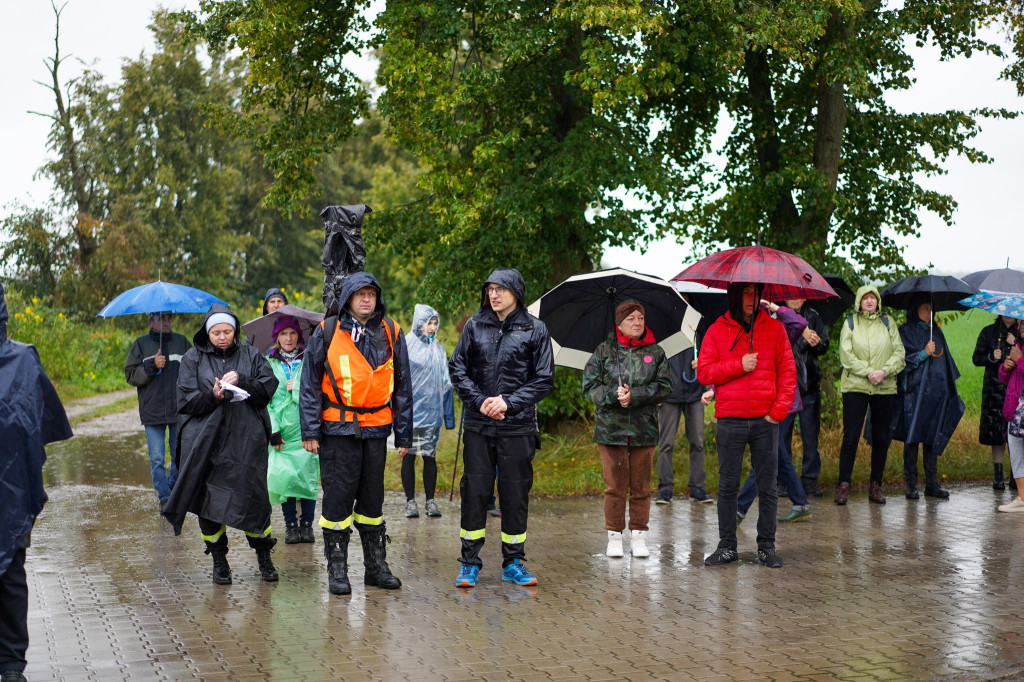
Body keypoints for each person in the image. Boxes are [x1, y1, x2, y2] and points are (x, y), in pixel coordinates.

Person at [300, 272, 413, 596]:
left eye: (371, 294)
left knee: (372, 500)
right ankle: (338, 569)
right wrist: (310, 430)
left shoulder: (391, 331)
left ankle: (375, 567)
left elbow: (403, 386)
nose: (366, 299)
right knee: (337, 501)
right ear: (348, 298)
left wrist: (404, 434)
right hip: (337, 430)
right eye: (359, 294)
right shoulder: (328, 331)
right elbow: (309, 384)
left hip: (376, 430)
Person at [449, 268, 554, 588]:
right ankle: (469, 562)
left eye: (501, 289)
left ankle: (514, 562)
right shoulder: (474, 326)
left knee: (514, 496)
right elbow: (457, 368)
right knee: (475, 494)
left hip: (518, 427)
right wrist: (480, 402)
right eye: (490, 289)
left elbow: (544, 379)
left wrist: (508, 402)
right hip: (479, 427)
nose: (494, 294)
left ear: (517, 293)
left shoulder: (535, 329)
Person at [162, 305, 281, 585]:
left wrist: (243, 380)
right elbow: (186, 400)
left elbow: (268, 388)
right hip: (206, 444)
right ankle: (219, 561)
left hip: (245, 443)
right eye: (216, 332)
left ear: (235, 331)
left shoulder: (250, 354)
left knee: (253, 500)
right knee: (209, 503)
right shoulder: (192, 358)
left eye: (227, 331)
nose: (222, 337)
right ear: (207, 332)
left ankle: (264, 557)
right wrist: (213, 395)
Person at [0, 282, 72, 682]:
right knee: (11, 574)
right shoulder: (25, 358)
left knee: (10, 572)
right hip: (14, 483)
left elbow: (39, 419)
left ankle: (11, 664)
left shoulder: (24, 360)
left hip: (11, 488)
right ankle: (10, 663)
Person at [697, 282, 796, 569]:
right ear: (735, 295)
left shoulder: (775, 329)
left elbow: (788, 373)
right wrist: (739, 364)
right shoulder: (717, 329)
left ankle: (766, 546)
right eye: (746, 293)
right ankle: (727, 546)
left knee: (767, 487)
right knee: (727, 487)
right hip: (730, 420)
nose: (752, 299)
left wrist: (777, 413)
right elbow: (704, 371)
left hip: (766, 421)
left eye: (756, 293)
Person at [583, 301, 671, 558]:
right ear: (619, 323)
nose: (637, 322)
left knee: (641, 486)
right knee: (615, 486)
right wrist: (613, 394)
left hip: (644, 430)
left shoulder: (656, 352)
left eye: (641, 317)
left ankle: (639, 536)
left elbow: (666, 386)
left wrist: (638, 395)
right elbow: (588, 387)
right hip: (611, 431)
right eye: (630, 318)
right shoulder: (604, 351)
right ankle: (614, 536)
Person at [735, 300, 812, 524]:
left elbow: (799, 322)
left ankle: (740, 509)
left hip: (784, 405)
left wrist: (776, 308)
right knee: (774, 456)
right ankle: (800, 503)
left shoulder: (782, 332)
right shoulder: (752, 336)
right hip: (765, 405)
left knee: (767, 456)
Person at [835, 285, 906, 505]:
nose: (868, 301)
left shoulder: (888, 323)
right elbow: (846, 356)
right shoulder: (850, 323)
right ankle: (843, 486)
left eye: (872, 298)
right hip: (855, 387)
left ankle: (875, 486)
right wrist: (869, 373)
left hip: (884, 388)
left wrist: (884, 372)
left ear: (877, 302)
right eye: (864, 298)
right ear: (858, 301)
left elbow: (899, 353)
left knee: (881, 438)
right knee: (851, 438)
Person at [892, 297, 965, 500]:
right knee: (912, 440)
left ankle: (931, 485)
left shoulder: (937, 332)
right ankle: (911, 485)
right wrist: (924, 353)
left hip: (936, 395)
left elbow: (946, 364)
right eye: (925, 308)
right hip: (914, 396)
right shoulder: (905, 331)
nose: (929, 313)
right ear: (916, 309)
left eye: (931, 309)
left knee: (932, 438)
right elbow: (901, 361)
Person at [124, 312, 191, 507]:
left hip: (179, 409)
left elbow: (195, 367)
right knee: (157, 458)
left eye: (169, 318)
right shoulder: (140, 344)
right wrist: (152, 365)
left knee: (179, 453)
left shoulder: (181, 342)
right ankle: (164, 497)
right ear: (151, 321)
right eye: (161, 318)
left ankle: (173, 489)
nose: (166, 322)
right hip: (152, 410)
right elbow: (130, 375)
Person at [265, 316, 318, 544]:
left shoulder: (309, 359)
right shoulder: (269, 362)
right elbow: (265, 400)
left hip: (304, 428)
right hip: (282, 432)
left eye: (293, 333)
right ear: (277, 337)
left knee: (307, 478)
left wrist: (296, 388)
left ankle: (307, 525)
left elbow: (317, 391)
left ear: (300, 336)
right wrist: (273, 430)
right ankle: (290, 526)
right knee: (285, 479)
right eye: (283, 333)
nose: (288, 338)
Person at [403, 304, 456, 519]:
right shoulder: (406, 345)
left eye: (435, 323)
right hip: (410, 415)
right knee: (409, 457)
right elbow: (398, 382)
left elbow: (446, 384)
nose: (432, 327)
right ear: (419, 323)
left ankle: (430, 501)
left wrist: (448, 417)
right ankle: (410, 502)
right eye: (428, 323)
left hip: (432, 414)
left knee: (429, 457)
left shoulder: (438, 350)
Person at [655, 340, 713, 505]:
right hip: (669, 395)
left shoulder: (698, 332)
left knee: (698, 443)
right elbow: (653, 362)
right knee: (666, 443)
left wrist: (704, 361)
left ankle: (697, 488)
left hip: (694, 393)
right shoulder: (665, 332)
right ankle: (665, 488)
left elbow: (714, 356)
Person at [783, 298, 830, 497]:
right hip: (785, 387)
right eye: (791, 294)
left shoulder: (813, 316)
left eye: (799, 294)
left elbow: (824, 347)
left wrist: (817, 342)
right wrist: (803, 339)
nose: (796, 299)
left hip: (809, 386)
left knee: (811, 437)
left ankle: (810, 481)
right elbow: (783, 351)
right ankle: (783, 481)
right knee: (782, 437)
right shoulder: (779, 317)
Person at [973, 315, 1017, 490]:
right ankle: (998, 475)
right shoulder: (988, 332)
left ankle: (1016, 475)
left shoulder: (1021, 334)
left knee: (1016, 433)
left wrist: (1016, 342)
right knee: (996, 434)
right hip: (993, 391)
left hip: (1015, 390)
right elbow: (976, 358)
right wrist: (991, 356)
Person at [997, 319, 1024, 512]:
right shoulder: (1017, 346)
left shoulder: (1019, 350)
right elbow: (1005, 378)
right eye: (1020, 325)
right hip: (1016, 408)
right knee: (1015, 451)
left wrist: (1020, 359)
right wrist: (1005, 368)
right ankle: (1022, 497)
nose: (1020, 329)